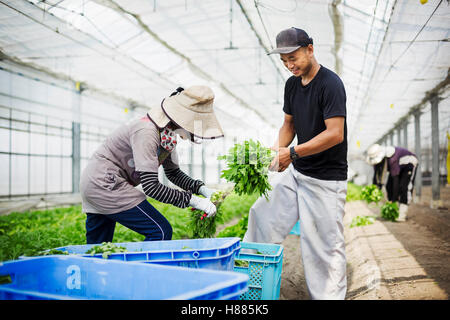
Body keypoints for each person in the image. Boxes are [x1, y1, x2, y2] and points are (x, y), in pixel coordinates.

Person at [243, 27, 348, 300]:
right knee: (261, 215)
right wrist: (279, 152)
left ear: (310, 49)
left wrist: (292, 153)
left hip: (326, 180)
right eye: (284, 61)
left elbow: (335, 134)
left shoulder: (330, 84)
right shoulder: (291, 84)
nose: (290, 66)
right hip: (298, 173)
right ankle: (256, 287)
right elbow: (288, 123)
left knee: (322, 248)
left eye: (294, 58)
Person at [80, 85, 223, 244]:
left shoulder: (167, 136)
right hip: (105, 183)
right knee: (160, 231)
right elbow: (151, 187)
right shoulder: (147, 131)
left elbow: (173, 173)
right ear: (183, 119)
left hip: (95, 183)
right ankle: (142, 269)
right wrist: (194, 201)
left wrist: (202, 189)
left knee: (98, 248)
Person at [366, 143, 419, 221]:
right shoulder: (380, 162)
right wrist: (377, 188)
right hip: (399, 167)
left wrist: (393, 199)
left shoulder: (392, 158)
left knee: (404, 188)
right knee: (388, 186)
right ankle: (395, 209)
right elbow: (377, 175)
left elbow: (395, 181)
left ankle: (402, 214)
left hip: (409, 165)